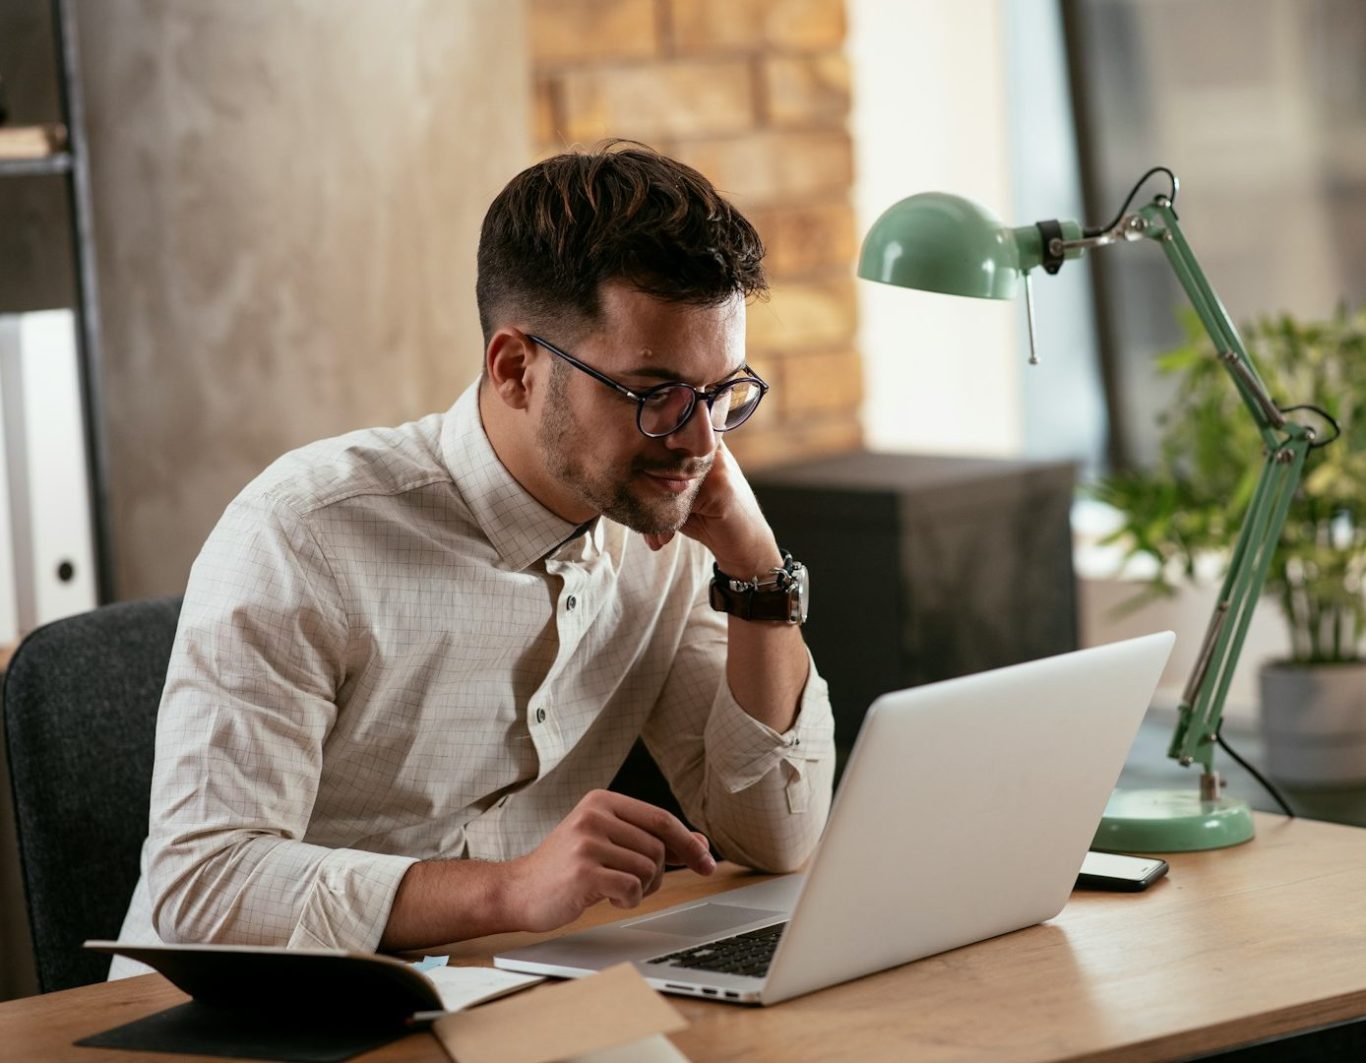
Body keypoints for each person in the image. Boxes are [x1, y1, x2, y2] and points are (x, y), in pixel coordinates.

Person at [110, 142, 834, 978]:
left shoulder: (661, 532)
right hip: (241, 1022)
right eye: (654, 394)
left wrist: (757, 568)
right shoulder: (303, 534)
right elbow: (203, 891)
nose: (700, 441)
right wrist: (508, 890)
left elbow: (774, 836)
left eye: (719, 394)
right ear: (517, 367)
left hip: (505, 1002)